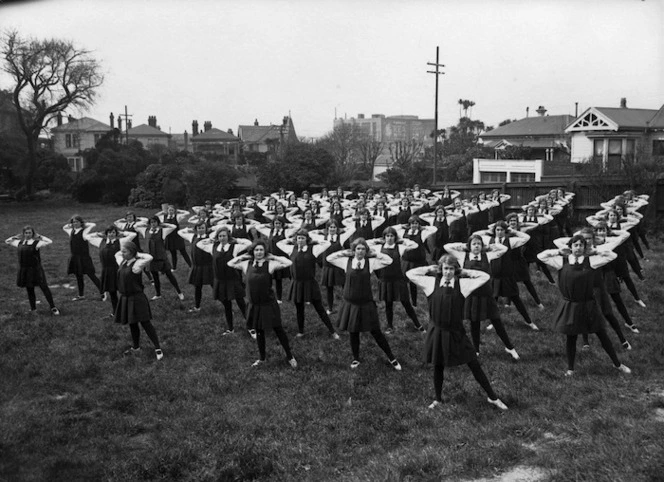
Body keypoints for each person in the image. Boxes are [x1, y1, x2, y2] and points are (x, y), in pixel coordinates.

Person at [406, 255, 508, 410]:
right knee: (438, 365)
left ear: (455, 270)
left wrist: (465, 272)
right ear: (440, 269)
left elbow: (485, 276)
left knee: (473, 363)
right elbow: (410, 274)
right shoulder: (430, 283)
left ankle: (492, 397)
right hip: (437, 331)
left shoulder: (463, 285)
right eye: (445, 269)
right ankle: (438, 399)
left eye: (451, 269)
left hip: (456, 332)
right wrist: (428, 269)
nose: (448, 272)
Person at [537, 235, 631, 376]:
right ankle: (570, 369)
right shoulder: (561, 261)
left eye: (581, 245)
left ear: (585, 248)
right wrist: (558, 251)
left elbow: (612, 255)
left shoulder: (591, 261)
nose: (578, 248)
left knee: (601, 333)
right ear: (571, 247)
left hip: (588, 304)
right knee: (571, 336)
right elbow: (541, 256)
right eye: (576, 245)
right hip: (570, 305)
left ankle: (617, 364)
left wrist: (595, 251)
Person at [326, 238, 402, 371]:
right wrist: (346, 252)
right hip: (351, 304)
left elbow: (388, 260)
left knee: (376, 331)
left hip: (366, 303)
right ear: (354, 250)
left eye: (363, 249)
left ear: (366, 251)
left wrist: (374, 253)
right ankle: (356, 358)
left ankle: (392, 357)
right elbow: (329, 258)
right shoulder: (346, 261)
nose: (360, 252)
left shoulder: (370, 262)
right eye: (358, 249)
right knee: (353, 332)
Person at [444, 236, 519, 360]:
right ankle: (476, 350)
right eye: (474, 244)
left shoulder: (487, 256)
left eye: (479, 244)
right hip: (471, 295)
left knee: (496, 321)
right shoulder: (463, 256)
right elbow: (447, 247)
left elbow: (503, 248)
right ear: (470, 246)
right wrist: (464, 246)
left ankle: (509, 347)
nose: (477, 246)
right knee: (474, 322)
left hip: (486, 294)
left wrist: (488, 247)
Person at [228, 239, 297, 367]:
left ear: (265, 252)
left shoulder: (270, 264)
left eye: (261, 250)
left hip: (268, 304)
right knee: (259, 331)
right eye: (256, 250)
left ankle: (290, 356)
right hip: (254, 305)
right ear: (252, 252)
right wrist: (244, 256)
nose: (259, 252)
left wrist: (274, 256)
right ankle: (262, 358)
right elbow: (230, 263)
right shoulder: (246, 264)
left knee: (278, 329)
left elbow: (288, 262)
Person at [276, 230, 339, 339]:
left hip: (310, 283)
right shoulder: (291, 249)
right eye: (298, 238)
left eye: (303, 238)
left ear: (307, 239)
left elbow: (327, 243)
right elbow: (279, 243)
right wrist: (291, 240)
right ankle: (301, 331)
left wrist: (314, 240)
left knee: (319, 308)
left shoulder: (313, 249)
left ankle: (332, 331)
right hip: (297, 284)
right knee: (299, 309)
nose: (300, 240)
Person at [367, 227, 425, 333]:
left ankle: (418, 325)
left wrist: (401, 240)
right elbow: (367, 243)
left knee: (406, 303)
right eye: (387, 236)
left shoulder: (400, 247)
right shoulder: (379, 247)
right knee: (388, 304)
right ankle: (390, 326)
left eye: (392, 236)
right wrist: (378, 240)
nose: (389, 238)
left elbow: (414, 245)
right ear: (384, 237)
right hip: (385, 279)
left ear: (395, 237)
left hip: (398, 279)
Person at [198, 226, 252, 336]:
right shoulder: (213, 247)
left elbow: (248, 243)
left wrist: (236, 240)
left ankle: (251, 327)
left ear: (228, 237)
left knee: (241, 303)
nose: (222, 238)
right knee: (227, 305)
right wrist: (211, 239)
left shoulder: (234, 247)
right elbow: (199, 244)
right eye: (220, 236)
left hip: (233, 280)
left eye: (224, 236)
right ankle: (230, 328)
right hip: (221, 281)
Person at [114, 242, 163, 360]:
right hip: (126, 297)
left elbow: (149, 257)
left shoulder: (137, 265)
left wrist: (137, 254)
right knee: (132, 322)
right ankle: (136, 347)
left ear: (131, 252)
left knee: (145, 323)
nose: (122, 253)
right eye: (122, 251)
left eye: (125, 251)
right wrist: (125, 251)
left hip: (137, 298)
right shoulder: (122, 261)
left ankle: (158, 348)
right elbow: (117, 254)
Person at [6, 226, 60, 315]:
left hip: (36, 270)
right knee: (29, 289)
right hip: (25, 270)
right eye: (26, 233)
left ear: (32, 234)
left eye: (29, 233)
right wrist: (14, 237)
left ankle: (53, 307)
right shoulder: (19, 243)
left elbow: (49, 241)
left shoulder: (36, 243)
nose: (28, 234)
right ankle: (33, 309)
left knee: (44, 287)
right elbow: (7, 241)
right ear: (23, 234)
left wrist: (40, 237)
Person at [88, 226, 136, 315]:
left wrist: (122, 233)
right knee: (112, 292)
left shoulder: (120, 242)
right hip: (106, 271)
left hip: (117, 270)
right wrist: (98, 234)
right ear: (106, 234)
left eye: (113, 232)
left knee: (123, 291)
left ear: (116, 234)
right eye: (109, 232)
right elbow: (87, 237)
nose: (111, 234)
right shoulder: (101, 242)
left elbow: (133, 234)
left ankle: (129, 310)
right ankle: (116, 312)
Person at [136, 216, 184, 301]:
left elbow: (173, 227)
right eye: (151, 222)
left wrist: (162, 224)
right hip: (151, 258)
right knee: (155, 277)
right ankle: (158, 294)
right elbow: (135, 226)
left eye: (155, 222)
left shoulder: (162, 231)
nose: (153, 224)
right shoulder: (145, 231)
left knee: (169, 275)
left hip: (161, 257)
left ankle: (179, 291)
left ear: (158, 223)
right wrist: (145, 223)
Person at [311, 220, 353, 315]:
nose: (332, 229)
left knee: (344, 286)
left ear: (337, 229)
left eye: (334, 227)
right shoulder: (323, 238)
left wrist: (342, 229)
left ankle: (348, 306)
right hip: (327, 266)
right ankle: (330, 308)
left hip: (338, 266)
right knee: (329, 288)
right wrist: (322, 231)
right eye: (330, 227)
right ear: (327, 228)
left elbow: (352, 229)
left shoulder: (341, 237)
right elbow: (311, 233)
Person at [63, 215, 102, 301]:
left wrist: (83, 224)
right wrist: (71, 225)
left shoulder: (84, 231)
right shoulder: (71, 231)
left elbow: (93, 225)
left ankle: (102, 292)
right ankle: (81, 295)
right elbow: (64, 227)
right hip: (75, 257)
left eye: (77, 222)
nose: (75, 223)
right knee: (78, 276)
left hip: (84, 257)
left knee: (91, 275)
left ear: (81, 222)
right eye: (73, 222)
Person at [178, 222, 214, 312]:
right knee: (197, 287)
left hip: (208, 266)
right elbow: (180, 232)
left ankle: (226, 306)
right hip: (197, 267)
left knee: (215, 286)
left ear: (206, 229)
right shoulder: (192, 237)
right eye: (199, 228)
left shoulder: (210, 238)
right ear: (196, 229)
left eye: (202, 228)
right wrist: (189, 229)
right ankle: (197, 306)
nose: (201, 230)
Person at [156, 205, 192, 270]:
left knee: (183, 252)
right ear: (167, 211)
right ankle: (174, 268)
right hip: (169, 238)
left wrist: (179, 210)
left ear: (174, 211)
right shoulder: (163, 217)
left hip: (177, 237)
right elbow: (156, 216)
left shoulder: (177, 217)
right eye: (169, 210)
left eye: (172, 210)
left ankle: (190, 266)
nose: (171, 211)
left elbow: (187, 213)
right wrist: (163, 211)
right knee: (173, 253)